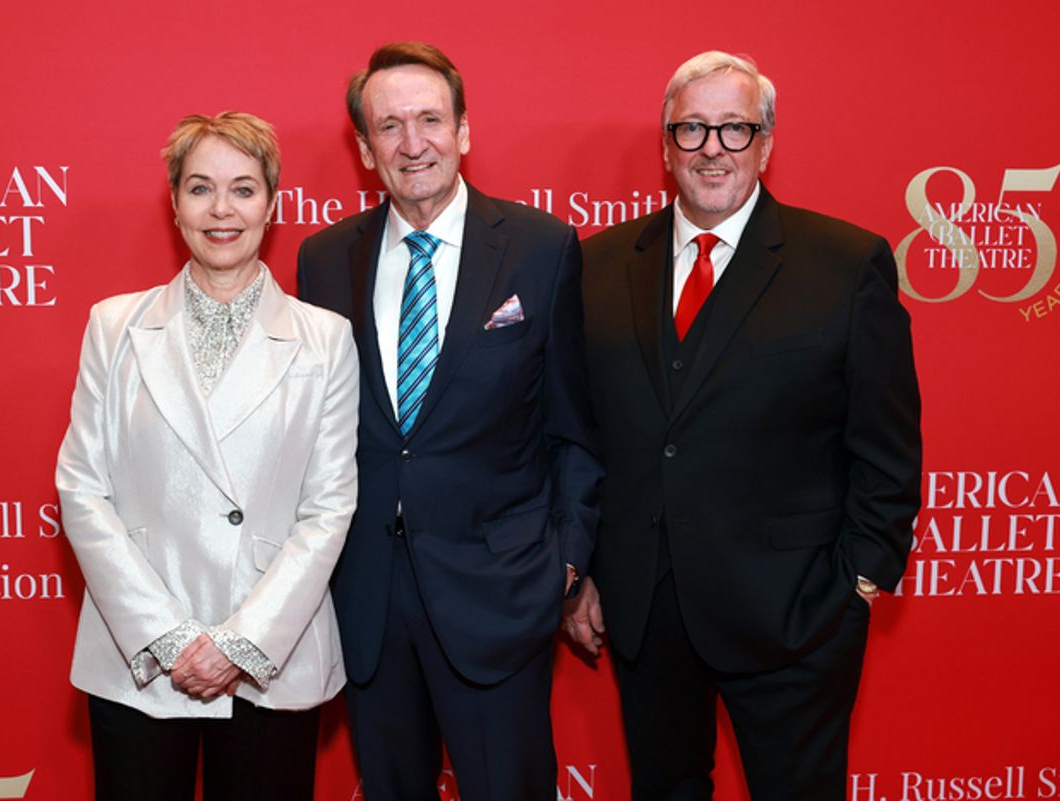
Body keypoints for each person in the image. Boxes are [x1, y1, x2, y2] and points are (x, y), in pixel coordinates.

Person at [567, 51, 922, 801]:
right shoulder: (595, 265)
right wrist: (585, 570)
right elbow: (581, 435)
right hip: (646, 611)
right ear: (665, 146)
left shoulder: (845, 263)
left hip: (796, 614)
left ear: (767, 142)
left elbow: (887, 449)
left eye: (735, 128)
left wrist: (857, 584)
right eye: (691, 128)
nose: (712, 149)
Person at [297, 41, 601, 801]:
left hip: (501, 588)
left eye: (430, 119)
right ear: (366, 149)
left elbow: (575, 424)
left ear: (464, 130)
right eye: (390, 126)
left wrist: (563, 563)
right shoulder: (324, 259)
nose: (413, 142)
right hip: (368, 594)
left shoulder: (542, 247)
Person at [55, 111, 359, 801]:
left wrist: (240, 644)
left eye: (244, 189)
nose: (222, 209)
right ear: (174, 202)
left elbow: (330, 504)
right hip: (139, 650)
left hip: (269, 652)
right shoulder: (114, 325)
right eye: (200, 188)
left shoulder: (325, 338)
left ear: (273, 204)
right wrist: (169, 636)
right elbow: (81, 488)